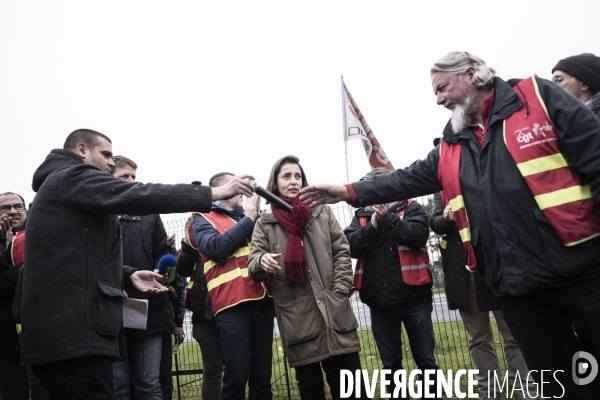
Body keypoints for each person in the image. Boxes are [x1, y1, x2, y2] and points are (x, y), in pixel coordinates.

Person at [299, 51, 600, 399]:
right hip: (519, 288)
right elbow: (404, 179)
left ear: (472, 74)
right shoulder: (451, 143)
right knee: (557, 381)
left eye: (443, 88)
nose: (439, 99)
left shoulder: (539, 98)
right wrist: (348, 191)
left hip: (582, 272)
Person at [20, 128, 255, 399]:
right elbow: (139, 194)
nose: (111, 162)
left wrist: (126, 275)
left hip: (66, 339)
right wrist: (212, 193)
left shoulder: (62, 187)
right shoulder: (72, 177)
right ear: (82, 150)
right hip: (73, 342)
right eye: (106, 154)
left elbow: (71, 261)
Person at [248, 155, 364, 400]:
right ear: (275, 183)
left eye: (298, 176)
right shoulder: (265, 223)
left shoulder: (321, 211)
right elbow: (253, 266)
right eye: (286, 176)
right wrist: (261, 261)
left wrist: (340, 290)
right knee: (311, 390)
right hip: (298, 320)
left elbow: (342, 250)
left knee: (350, 387)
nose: (293, 181)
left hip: (335, 311)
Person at [343, 167, 439, 399]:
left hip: (415, 299)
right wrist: (374, 225)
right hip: (380, 303)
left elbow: (417, 236)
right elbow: (349, 245)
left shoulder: (412, 208)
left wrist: (386, 219)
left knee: (425, 359)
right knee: (391, 364)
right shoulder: (361, 217)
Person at [430, 190, 534, 400]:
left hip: (499, 267)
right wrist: (447, 218)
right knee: (478, 339)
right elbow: (436, 222)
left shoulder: (486, 169)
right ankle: (490, 395)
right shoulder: (441, 188)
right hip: (464, 272)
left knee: (514, 336)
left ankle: (524, 393)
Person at [192, 172, 272, 400]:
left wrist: (254, 217)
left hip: (263, 301)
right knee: (236, 377)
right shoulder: (202, 217)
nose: (243, 190)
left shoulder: (254, 216)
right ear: (223, 189)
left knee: (262, 379)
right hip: (231, 304)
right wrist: (249, 219)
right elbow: (215, 249)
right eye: (237, 185)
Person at [110, 155, 176, 400]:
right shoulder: (96, 214)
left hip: (149, 311)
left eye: (133, 177)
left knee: (149, 385)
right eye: (123, 176)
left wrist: (166, 268)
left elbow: (163, 252)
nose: (130, 181)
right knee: (118, 388)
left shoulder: (149, 213)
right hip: (109, 311)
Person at [176, 215, 223, 400]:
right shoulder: (202, 225)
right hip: (204, 312)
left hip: (234, 307)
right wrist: (188, 240)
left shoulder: (238, 221)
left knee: (240, 368)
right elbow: (182, 269)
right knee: (212, 370)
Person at [0, 193, 29, 400]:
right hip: (6, 345)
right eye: (5, 208)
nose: (12, 211)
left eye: (18, 206)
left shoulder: (38, 238)